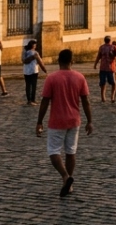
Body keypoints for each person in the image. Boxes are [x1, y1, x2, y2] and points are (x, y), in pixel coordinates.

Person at [36, 49, 93, 196]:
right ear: (71, 61)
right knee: (71, 151)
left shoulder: (52, 78)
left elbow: (45, 102)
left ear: (58, 61)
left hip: (57, 120)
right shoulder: (80, 77)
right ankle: (68, 184)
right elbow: (86, 101)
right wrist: (90, 121)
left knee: (53, 151)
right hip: (74, 120)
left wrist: (39, 121)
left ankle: (65, 176)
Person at [92, 35, 116, 103]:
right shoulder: (113, 47)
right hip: (111, 68)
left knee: (103, 83)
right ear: (110, 40)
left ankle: (103, 97)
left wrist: (95, 64)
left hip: (103, 68)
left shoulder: (101, 47)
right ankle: (112, 97)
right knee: (113, 82)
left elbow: (98, 56)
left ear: (104, 40)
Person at [22, 40, 48, 106]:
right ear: (33, 46)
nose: (35, 46)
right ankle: (33, 100)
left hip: (26, 71)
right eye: (35, 45)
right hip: (34, 71)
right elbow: (40, 62)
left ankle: (29, 100)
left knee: (28, 85)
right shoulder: (35, 53)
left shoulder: (25, 52)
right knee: (33, 86)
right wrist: (44, 70)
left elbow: (23, 60)